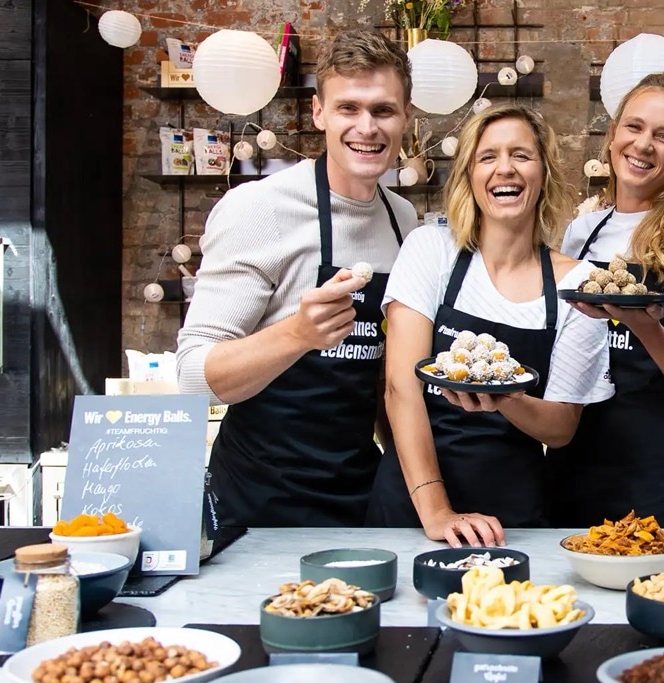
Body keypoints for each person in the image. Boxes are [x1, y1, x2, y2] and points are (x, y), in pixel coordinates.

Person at [176, 31, 418, 528]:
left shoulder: (403, 219)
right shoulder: (259, 209)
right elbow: (194, 376)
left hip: (358, 492)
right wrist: (297, 335)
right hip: (260, 496)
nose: (366, 127)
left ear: (407, 119)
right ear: (319, 113)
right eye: (348, 108)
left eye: (383, 110)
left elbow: (383, 378)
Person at [366, 106, 613, 547]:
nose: (505, 169)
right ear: (468, 175)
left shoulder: (577, 283)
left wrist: (505, 398)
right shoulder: (431, 251)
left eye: (521, 155)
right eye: (487, 157)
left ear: (544, 173)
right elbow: (400, 389)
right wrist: (438, 511)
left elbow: (561, 428)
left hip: (512, 517)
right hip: (413, 507)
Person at [545, 71, 664, 529]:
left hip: (655, 485)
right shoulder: (580, 231)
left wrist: (643, 324)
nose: (644, 144)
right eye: (634, 127)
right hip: (569, 476)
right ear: (612, 136)